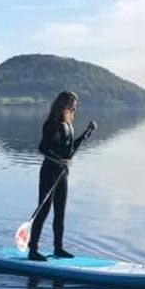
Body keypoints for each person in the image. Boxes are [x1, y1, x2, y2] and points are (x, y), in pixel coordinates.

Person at [27, 90, 96, 262]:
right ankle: (32, 250)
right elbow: (42, 148)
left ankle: (58, 249)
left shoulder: (68, 125)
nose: (74, 107)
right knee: (43, 211)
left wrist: (87, 132)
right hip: (49, 173)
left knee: (60, 212)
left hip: (62, 174)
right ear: (63, 104)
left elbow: (70, 152)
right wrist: (59, 161)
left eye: (75, 105)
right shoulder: (52, 124)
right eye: (72, 104)